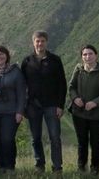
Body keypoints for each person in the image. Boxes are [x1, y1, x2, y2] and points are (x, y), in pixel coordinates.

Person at [21, 30, 67, 173]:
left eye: (42, 41)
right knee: (35, 137)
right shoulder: (27, 61)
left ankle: (57, 167)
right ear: (33, 42)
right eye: (37, 41)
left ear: (46, 42)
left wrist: (60, 105)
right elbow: (22, 85)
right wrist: (24, 107)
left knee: (55, 137)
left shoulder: (55, 60)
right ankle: (39, 165)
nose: (40, 43)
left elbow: (62, 84)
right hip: (33, 105)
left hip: (52, 104)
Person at [68, 45, 99, 176]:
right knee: (82, 142)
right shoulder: (78, 69)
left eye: (90, 54)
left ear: (96, 55)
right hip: (79, 113)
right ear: (82, 57)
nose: (87, 57)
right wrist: (75, 98)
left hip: (97, 115)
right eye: (85, 54)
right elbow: (71, 87)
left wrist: (95, 103)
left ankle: (95, 169)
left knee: (96, 143)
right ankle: (81, 168)